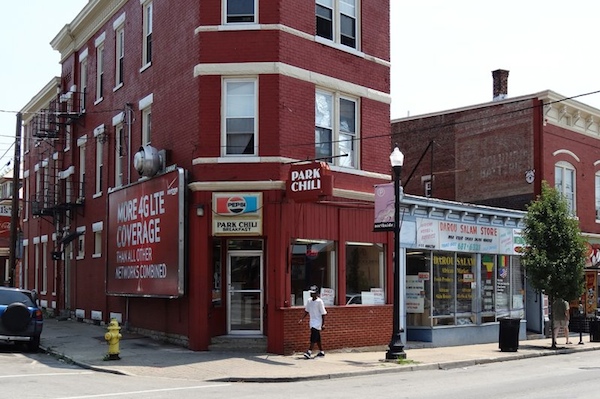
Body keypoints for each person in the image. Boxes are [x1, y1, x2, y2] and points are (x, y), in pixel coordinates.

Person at [298, 285, 327, 359]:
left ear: (317, 293)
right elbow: (306, 311)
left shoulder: (319, 301)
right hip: (312, 321)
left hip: (318, 321)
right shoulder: (309, 301)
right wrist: (302, 318)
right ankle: (321, 351)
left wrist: (323, 324)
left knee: (313, 336)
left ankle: (309, 351)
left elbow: (323, 313)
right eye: (311, 293)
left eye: (313, 293)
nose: (312, 294)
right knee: (317, 337)